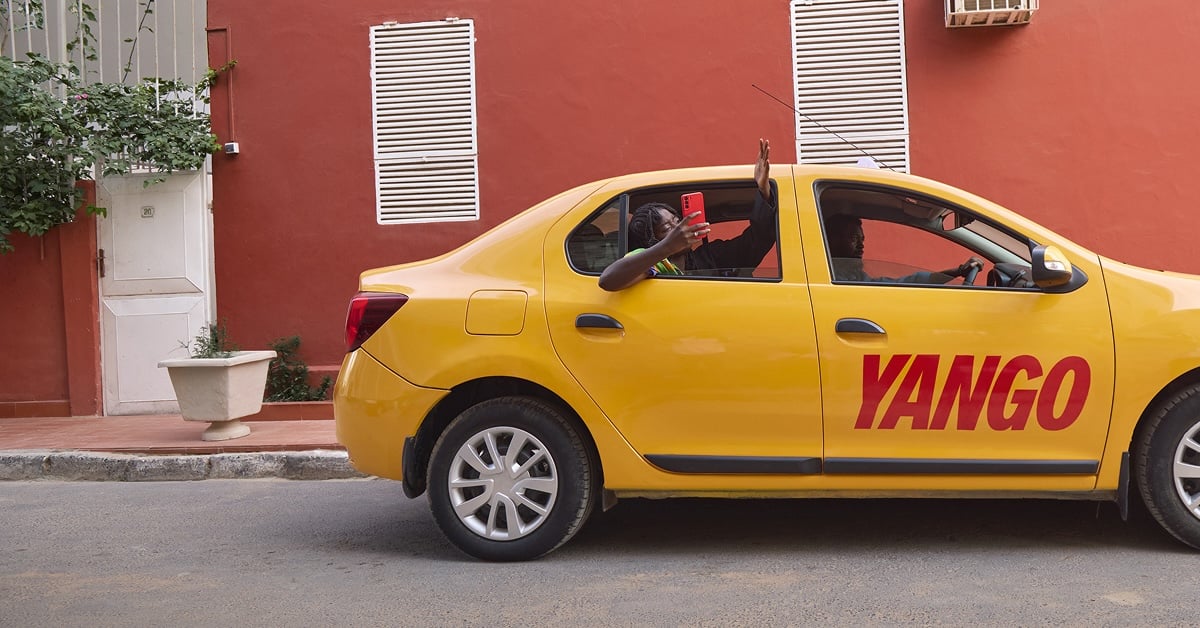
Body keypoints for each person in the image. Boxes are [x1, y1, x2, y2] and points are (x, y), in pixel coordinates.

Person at [598, 138, 776, 291]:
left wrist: (763, 191)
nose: (679, 227)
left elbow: (756, 241)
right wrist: (668, 247)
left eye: (677, 220)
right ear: (652, 242)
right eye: (667, 228)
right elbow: (608, 280)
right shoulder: (653, 266)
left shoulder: (709, 256)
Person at [824, 214, 983, 284]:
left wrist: (958, 271)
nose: (861, 245)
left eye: (862, 239)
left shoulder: (854, 277)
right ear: (833, 240)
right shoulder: (834, 277)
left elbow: (910, 281)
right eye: (853, 238)